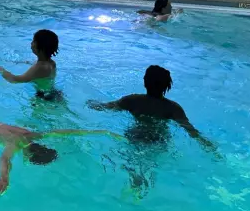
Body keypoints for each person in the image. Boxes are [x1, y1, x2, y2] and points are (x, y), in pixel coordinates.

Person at [87, 65, 216, 152]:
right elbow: (190, 130)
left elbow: (108, 107)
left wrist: (90, 103)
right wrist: (205, 142)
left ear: (145, 82)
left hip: (135, 137)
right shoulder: (173, 108)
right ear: (167, 85)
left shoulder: (132, 100)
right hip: (159, 141)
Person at [0, 29, 60, 101]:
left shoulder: (39, 68)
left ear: (41, 47)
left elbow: (14, 80)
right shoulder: (51, 63)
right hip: (53, 94)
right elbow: (36, 65)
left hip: (44, 99)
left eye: (34, 41)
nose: (31, 43)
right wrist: (20, 62)